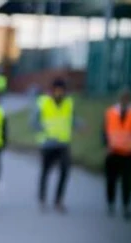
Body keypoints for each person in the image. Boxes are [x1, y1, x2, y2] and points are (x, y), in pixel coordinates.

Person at [31, 78, 78, 213]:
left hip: (63, 143)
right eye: (56, 90)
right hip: (47, 144)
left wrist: (80, 125)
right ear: (52, 90)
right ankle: (42, 199)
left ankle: (58, 200)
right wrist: (44, 130)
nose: (59, 92)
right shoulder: (43, 102)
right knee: (45, 172)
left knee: (64, 171)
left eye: (61, 90)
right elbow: (33, 121)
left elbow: (72, 119)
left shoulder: (69, 103)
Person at [102, 87, 131, 220]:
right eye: (122, 97)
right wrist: (105, 145)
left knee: (127, 181)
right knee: (111, 180)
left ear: (129, 98)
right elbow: (104, 131)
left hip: (128, 154)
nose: (124, 100)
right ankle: (111, 203)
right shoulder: (111, 112)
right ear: (119, 98)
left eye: (126, 97)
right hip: (112, 152)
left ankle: (126, 206)